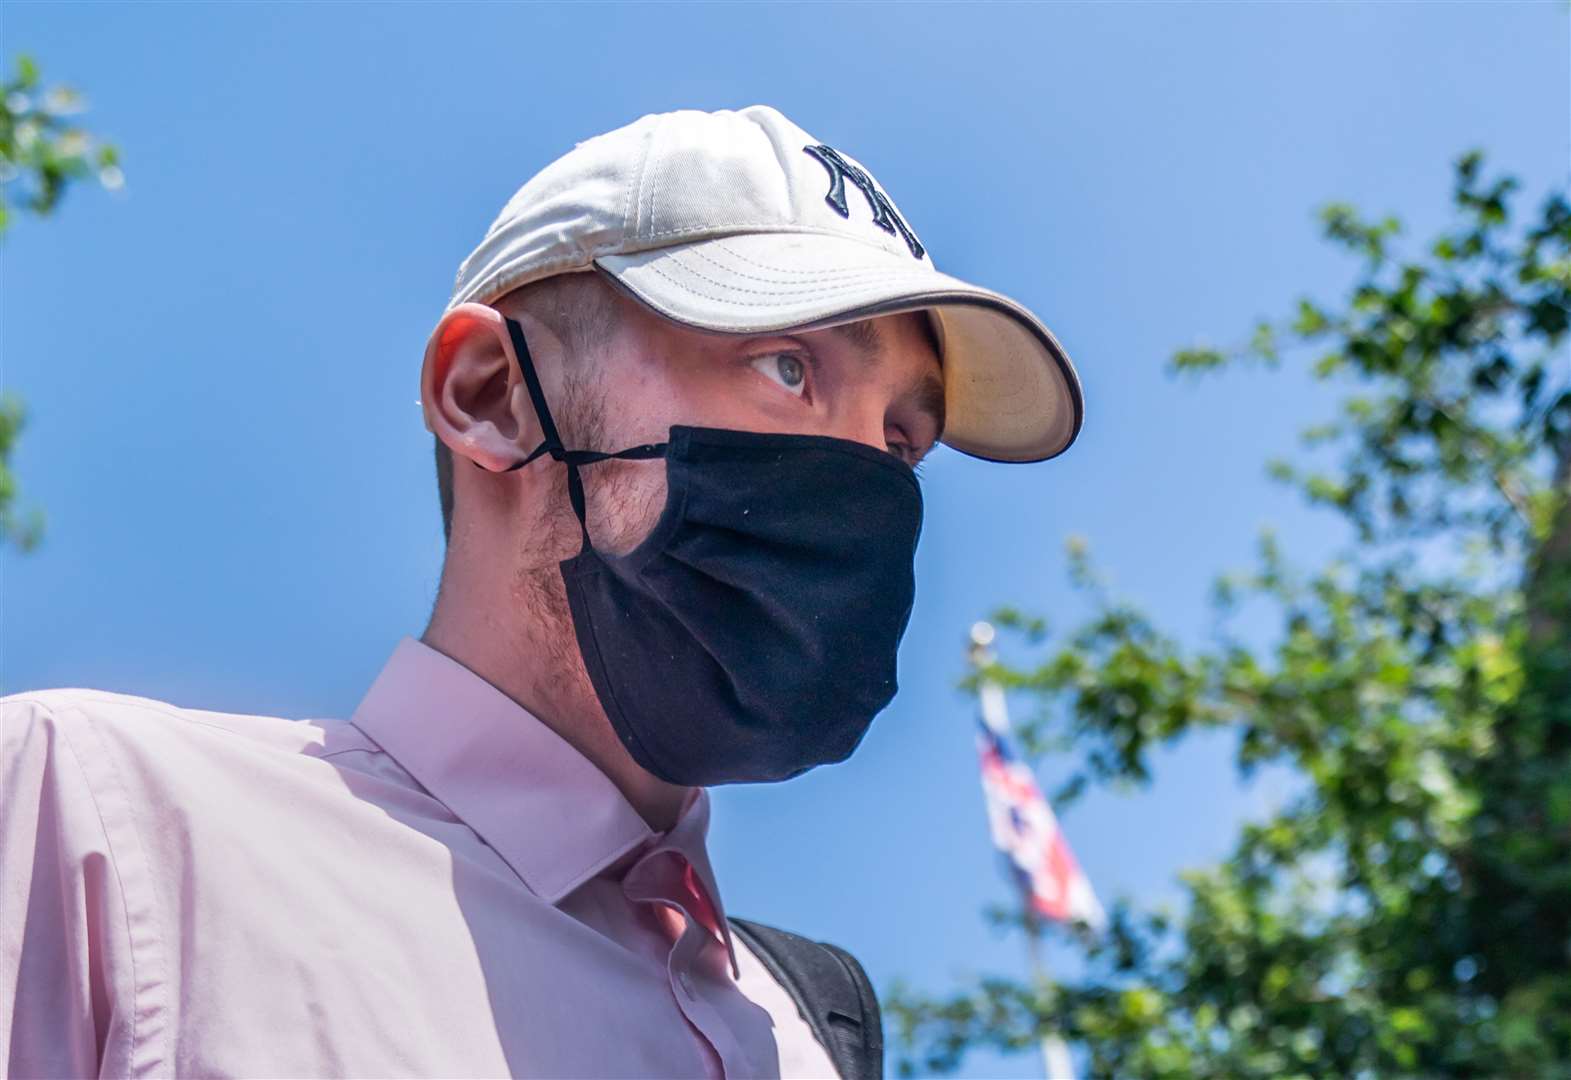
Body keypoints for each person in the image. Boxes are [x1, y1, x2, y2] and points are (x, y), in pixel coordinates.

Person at [0, 105, 1082, 1078]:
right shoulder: (101, 832)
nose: (861, 476)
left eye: (901, 442)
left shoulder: (805, 1034)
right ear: (493, 396)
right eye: (788, 368)